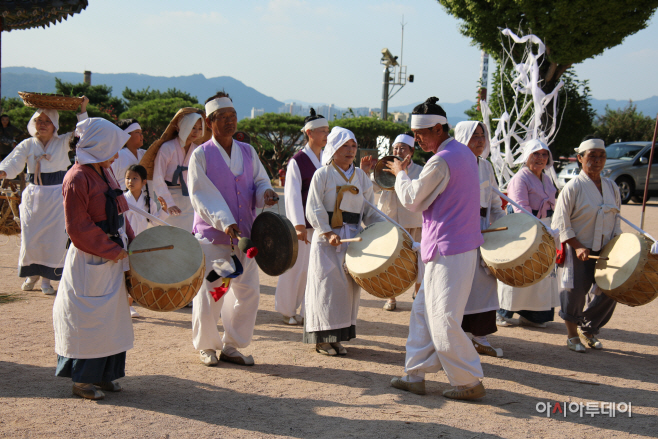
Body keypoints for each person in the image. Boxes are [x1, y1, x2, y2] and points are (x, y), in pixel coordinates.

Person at [388, 97, 486, 400]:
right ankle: (414, 374)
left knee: (442, 318)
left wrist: (400, 174)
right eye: (415, 135)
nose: (418, 140)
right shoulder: (462, 153)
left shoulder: (442, 159)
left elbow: (413, 200)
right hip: (449, 246)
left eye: (422, 134)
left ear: (440, 128)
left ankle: (468, 381)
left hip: (450, 249)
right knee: (422, 312)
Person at [189, 92, 278, 367]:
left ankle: (232, 344)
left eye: (233, 116)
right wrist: (224, 221)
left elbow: (261, 181)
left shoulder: (248, 152)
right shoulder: (201, 156)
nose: (230, 122)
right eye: (223, 118)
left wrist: (267, 193)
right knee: (213, 292)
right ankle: (206, 346)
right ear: (209, 121)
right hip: (216, 241)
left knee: (248, 293)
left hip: (245, 241)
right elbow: (201, 195)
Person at [53, 117, 135, 400]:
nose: (115, 155)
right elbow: (77, 227)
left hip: (112, 254)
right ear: (98, 145)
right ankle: (83, 379)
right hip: (91, 257)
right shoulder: (76, 177)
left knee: (112, 318)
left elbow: (120, 209)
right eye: (112, 148)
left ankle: (105, 375)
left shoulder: (104, 171)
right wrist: (112, 249)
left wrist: (132, 241)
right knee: (89, 319)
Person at [303, 126, 382, 356]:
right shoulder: (323, 174)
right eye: (344, 146)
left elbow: (370, 209)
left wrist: (382, 229)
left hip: (352, 238)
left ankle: (338, 337)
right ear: (333, 149)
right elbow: (314, 207)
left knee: (347, 290)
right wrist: (327, 232)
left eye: (353, 146)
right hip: (327, 240)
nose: (350, 151)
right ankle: (322, 340)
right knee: (326, 287)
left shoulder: (360, 177)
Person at [0, 98, 89, 295]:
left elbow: (83, 134)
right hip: (34, 196)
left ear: (54, 124)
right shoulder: (27, 144)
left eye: (46, 121)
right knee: (31, 237)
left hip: (57, 196)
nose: (41, 124)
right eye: (38, 120)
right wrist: (3, 172)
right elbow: (13, 161)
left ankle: (47, 280)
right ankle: (32, 275)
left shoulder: (62, 141)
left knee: (54, 238)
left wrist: (82, 110)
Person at [552, 138, 622, 353]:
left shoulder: (612, 186)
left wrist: (619, 245)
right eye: (592, 156)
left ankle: (589, 328)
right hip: (578, 247)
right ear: (580, 158)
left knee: (611, 289)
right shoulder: (573, 187)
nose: (597, 160)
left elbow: (616, 219)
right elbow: (560, 222)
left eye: (601, 156)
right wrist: (577, 245)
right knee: (574, 291)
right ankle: (572, 335)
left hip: (605, 248)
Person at [454, 121, 505, 357]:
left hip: (483, 230)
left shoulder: (486, 167)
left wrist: (505, 225)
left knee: (485, 282)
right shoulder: (453, 164)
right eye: (474, 135)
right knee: (461, 282)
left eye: (482, 135)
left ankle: (480, 336)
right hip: (460, 231)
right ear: (463, 137)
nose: (480, 139)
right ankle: (459, 335)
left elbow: (494, 202)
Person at [497, 139, 560, 328]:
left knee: (540, 271)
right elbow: (519, 208)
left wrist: (552, 226)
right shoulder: (520, 178)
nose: (540, 158)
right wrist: (540, 227)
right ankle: (503, 311)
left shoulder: (547, 179)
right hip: (523, 228)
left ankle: (534, 315)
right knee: (519, 269)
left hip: (545, 226)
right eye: (536, 154)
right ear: (527, 157)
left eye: (544, 154)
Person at [274, 108, 328, 325]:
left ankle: (308, 310)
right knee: (296, 268)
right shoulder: (297, 160)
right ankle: (287, 310)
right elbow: (292, 195)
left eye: (327, 131)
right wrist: (297, 224)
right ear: (310, 133)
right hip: (303, 225)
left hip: (322, 223)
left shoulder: (326, 159)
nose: (326, 135)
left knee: (315, 270)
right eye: (322, 131)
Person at [360, 132, 424, 311]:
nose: (398, 151)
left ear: (411, 151)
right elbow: (368, 187)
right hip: (389, 220)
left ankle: (418, 296)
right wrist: (365, 172)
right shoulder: (383, 168)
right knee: (390, 260)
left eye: (402, 148)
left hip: (414, 220)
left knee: (419, 260)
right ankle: (391, 297)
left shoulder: (420, 171)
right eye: (395, 148)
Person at [123, 164, 169, 318]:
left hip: (141, 242)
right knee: (122, 273)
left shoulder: (149, 201)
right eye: (128, 178)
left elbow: (155, 222)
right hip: (124, 241)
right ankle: (120, 306)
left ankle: (129, 305)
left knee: (134, 275)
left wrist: (163, 210)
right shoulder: (122, 199)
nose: (130, 181)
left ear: (143, 182)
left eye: (135, 178)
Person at [151, 108, 206, 232]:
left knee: (189, 236)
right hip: (169, 195)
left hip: (190, 199)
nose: (196, 131)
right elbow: (158, 177)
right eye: (193, 127)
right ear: (184, 126)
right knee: (170, 235)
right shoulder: (168, 148)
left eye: (200, 128)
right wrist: (169, 204)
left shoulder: (198, 150)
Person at [110, 119, 146, 191]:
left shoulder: (144, 154)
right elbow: (110, 181)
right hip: (123, 198)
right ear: (126, 136)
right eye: (137, 132)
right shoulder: (118, 156)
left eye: (141, 132)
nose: (141, 135)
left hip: (144, 199)